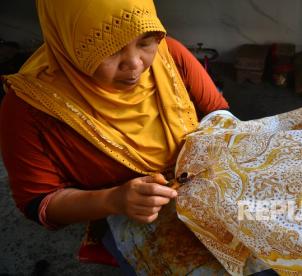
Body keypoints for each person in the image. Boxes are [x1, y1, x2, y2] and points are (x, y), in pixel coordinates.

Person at [0, 0, 228, 234]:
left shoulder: (168, 54)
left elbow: (219, 114)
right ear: (70, 43)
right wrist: (113, 200)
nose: (135, 64)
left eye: (145, 42)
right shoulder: (28, 107)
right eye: (111, 49)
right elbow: (39, 203)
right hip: (120, 216)